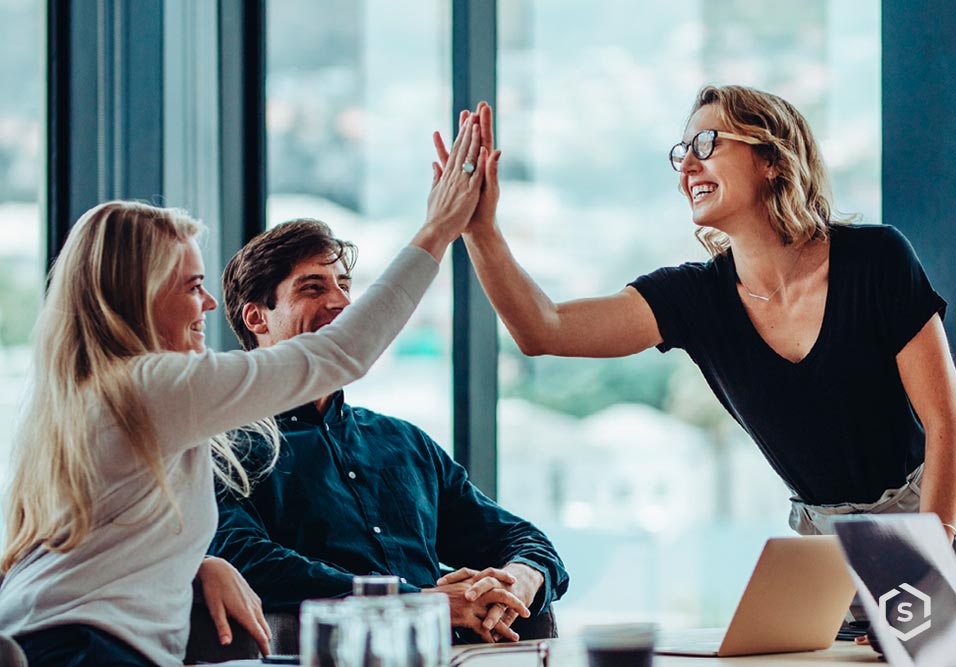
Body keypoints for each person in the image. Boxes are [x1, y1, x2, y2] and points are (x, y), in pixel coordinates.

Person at [0, 113, 487, 667]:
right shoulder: (150, 386)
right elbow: (340, 354)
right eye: (193, 287)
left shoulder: (89, 394)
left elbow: (101, 543)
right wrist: (437, 231)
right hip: (85, 651)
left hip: (48, 639)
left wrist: (200, 565)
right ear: (139, 295)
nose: (209, 304)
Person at [442, 89, 956, 541]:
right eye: (682, 152)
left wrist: (930, 557)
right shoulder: (694, 298)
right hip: (825, 542)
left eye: (707, 144)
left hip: (932, 514)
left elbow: (945, 422)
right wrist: (479, 230)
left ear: (771, 159)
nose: (687, 166)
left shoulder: (876, 259)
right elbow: (543, 329)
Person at [209, 218, 569, 645]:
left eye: (344, 285)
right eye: (313, 288)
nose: (342, 302)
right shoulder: (225, 447)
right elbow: (242, 558)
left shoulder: (404, 442)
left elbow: (521, 539)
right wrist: (416, 602)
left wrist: (519, 579)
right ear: (257, 317)